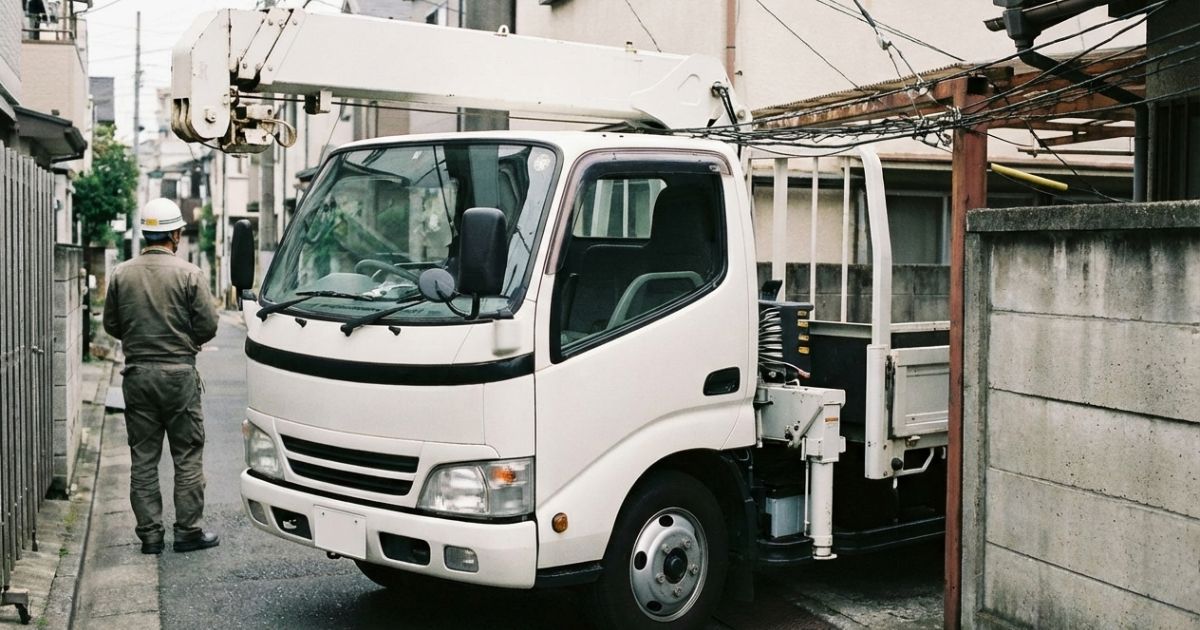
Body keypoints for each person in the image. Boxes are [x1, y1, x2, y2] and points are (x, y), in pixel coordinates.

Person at [103, 198, 221, 554]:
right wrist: (185, 342)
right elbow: (209, 325)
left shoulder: (122, 274)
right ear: (175, 234)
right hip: (179, 375)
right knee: (186, 453)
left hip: (137, 374)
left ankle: (150, 536)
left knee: (143, 457)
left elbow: (111, 324)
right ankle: (187, 532)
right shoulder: (189, 274)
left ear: (145, 234)